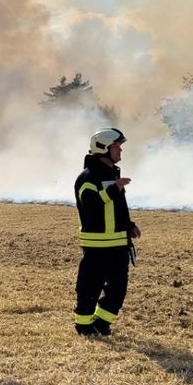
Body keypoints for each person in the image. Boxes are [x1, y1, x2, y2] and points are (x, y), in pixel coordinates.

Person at [73, 127, 141, 336]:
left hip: (119, 245)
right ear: (103, 148)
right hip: (97, 246)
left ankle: (101, 324)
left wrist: (129, 226)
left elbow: (117, 209)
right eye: (116, 147)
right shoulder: (87, 178)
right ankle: (83, 326)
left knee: (118, 289)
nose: (120, 151)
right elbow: (90, 205)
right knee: (89, 288)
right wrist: (113, 189)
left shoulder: (112, 175)